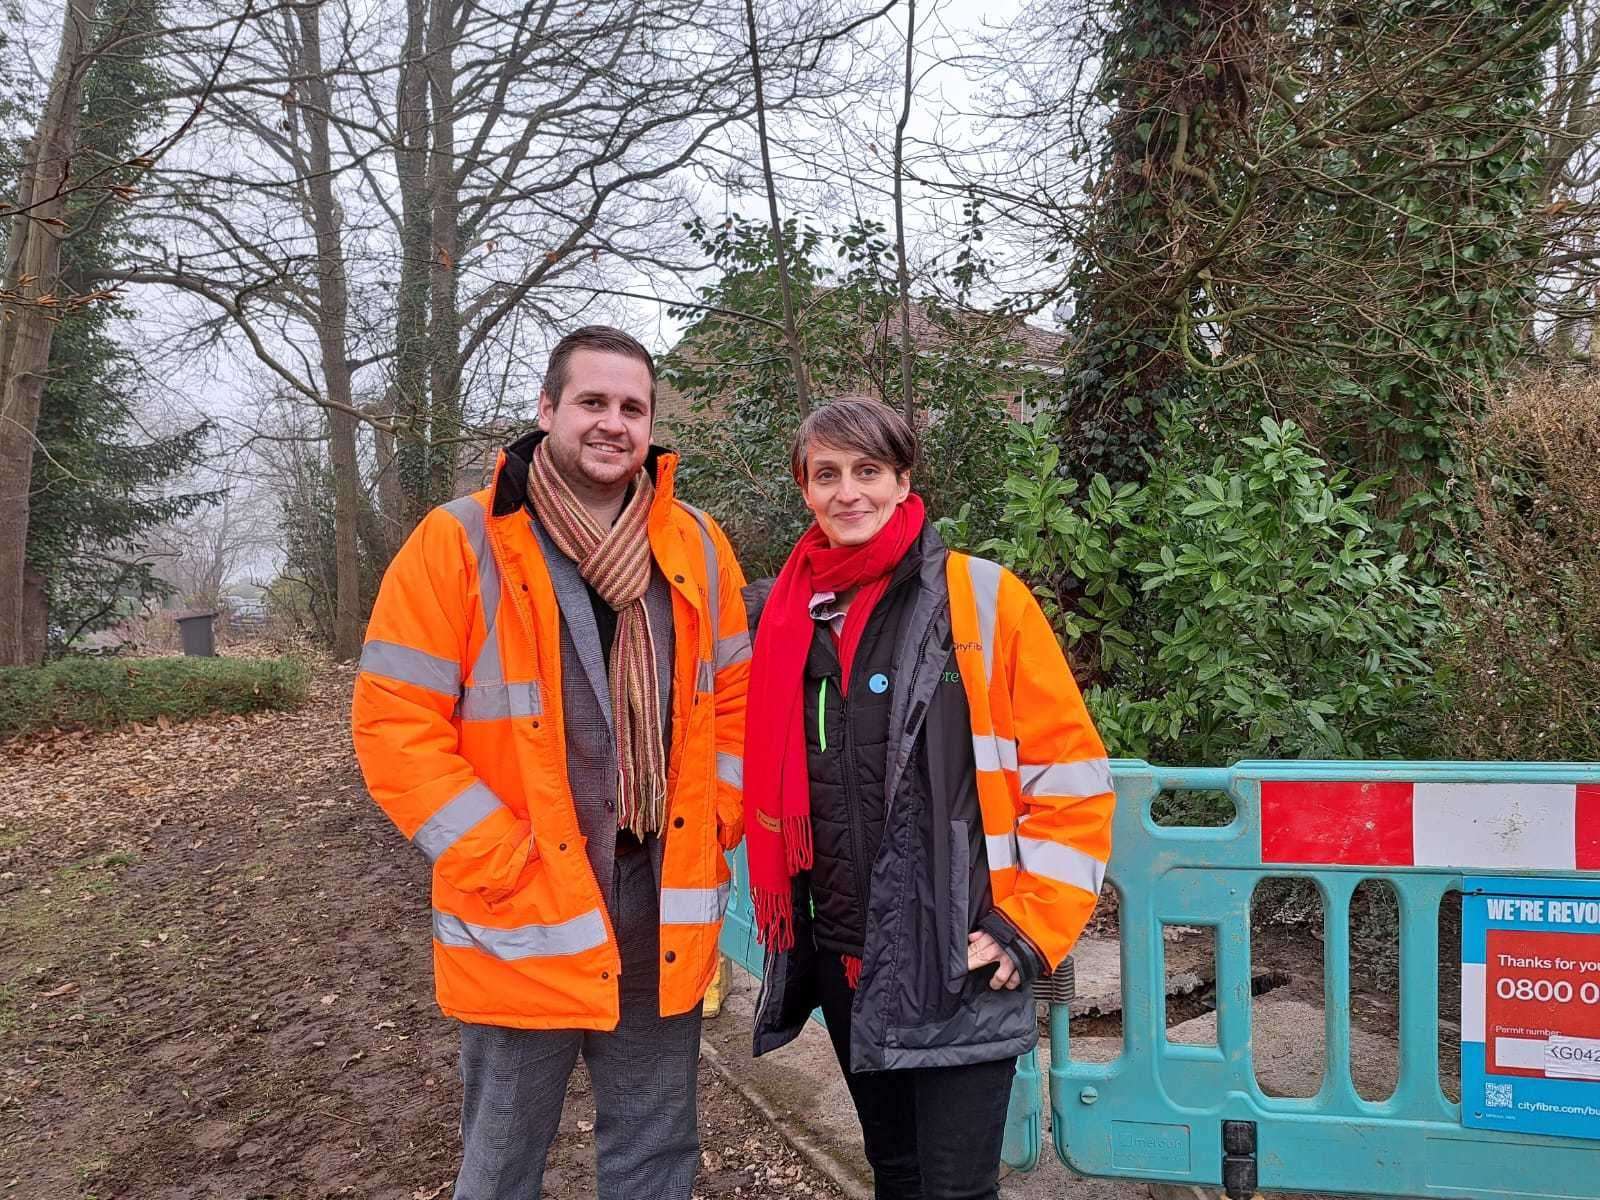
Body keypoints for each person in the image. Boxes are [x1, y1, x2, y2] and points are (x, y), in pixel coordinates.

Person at [351, 325, 750, 1200]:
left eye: (632, 408)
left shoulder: (694, 544)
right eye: (593, 402)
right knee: (502, 1161)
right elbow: (393, 723)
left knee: (656, 1151)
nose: (613, 424)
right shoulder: (457, 542)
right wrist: (501, 857)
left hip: (658, 894)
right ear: (546, 410)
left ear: (651, 424)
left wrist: (715, 817)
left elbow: (736, 704)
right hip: (522, 906)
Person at [743, 397, 1114, 1200]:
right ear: (804, 489)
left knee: (955, 1190)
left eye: (868, 471)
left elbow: (1073, 779)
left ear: (903, 480)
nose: (849, 492)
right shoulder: (785, 618)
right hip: (846, 958)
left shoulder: (980, 599)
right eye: (827, 474)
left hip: (958, 956)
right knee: (897, 1176)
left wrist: (1027, 926)